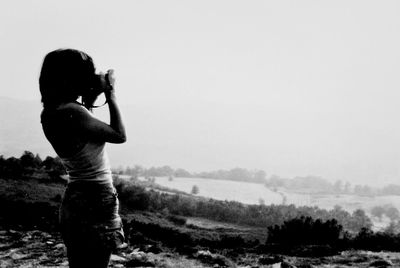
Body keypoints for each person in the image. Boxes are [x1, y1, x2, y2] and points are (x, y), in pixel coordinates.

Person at [39, 48, 127, 268]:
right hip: (97, 196)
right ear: (72, 77)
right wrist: (111, 94)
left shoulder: (51, 112)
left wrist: (92, 96)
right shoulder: (74, 112)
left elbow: (84, 127)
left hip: (75, 197)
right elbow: (119, 135)